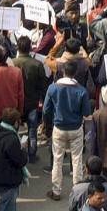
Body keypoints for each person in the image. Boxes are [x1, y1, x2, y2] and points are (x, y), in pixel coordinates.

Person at [43, 60, 91, 201]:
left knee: (57, 160)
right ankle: (77, 191)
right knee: (77, 160)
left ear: (62, 71)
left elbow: (46, 110)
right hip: (76, 128)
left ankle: (56, 191)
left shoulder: (52, 88)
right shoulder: (81, 90)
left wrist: (47, 125)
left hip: (58, 128)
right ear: (75, 72)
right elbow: (87, 112)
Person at [0, 108, 27, 211]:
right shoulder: (11, 139)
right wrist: (23, 148)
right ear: (15, 122)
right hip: (8, 181)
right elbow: (21, 160)